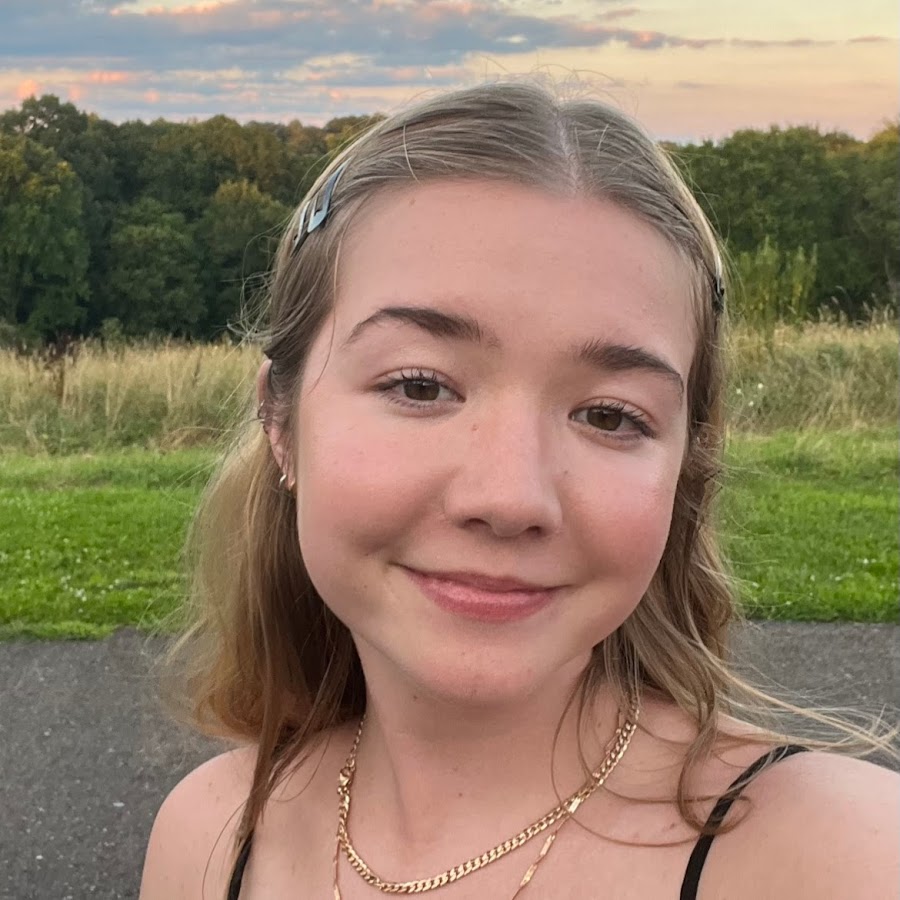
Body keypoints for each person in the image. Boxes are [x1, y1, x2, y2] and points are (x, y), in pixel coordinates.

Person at [139, 81, 899, 899]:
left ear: (686, 468)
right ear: (281, 422)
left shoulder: (841, 858)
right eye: (421, 386)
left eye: (609, 415)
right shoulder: (212, 839)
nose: (510, 498)